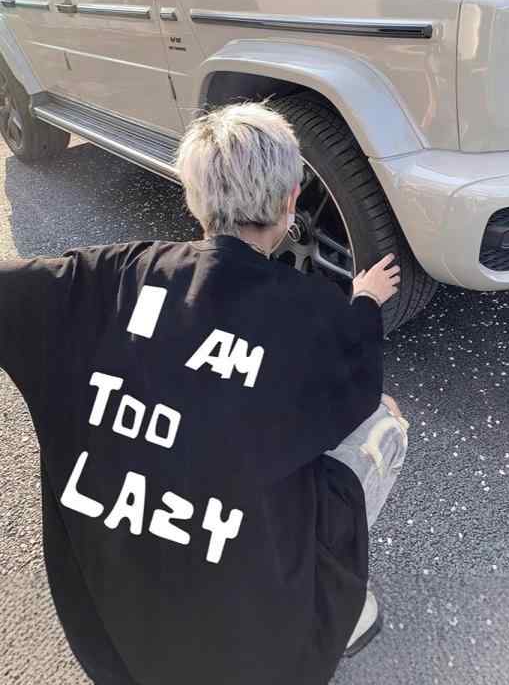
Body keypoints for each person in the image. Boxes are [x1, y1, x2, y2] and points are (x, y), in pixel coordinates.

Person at [0, 100, 409, 685]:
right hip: (261, 653)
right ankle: (337, 594)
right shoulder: (313, 315)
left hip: (112, 636)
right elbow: (353, 370)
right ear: (292, 199)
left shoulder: (108, 277)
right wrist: (364, 300)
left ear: (194, 197)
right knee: (383, 420)